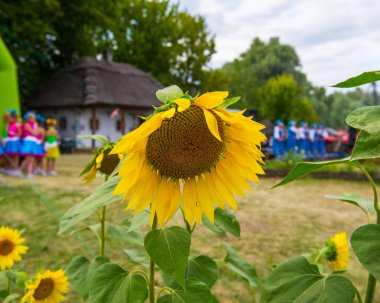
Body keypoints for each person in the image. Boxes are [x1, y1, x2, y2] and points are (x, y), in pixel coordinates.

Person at [19, 112, 39, 178]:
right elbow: (32, 132)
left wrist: (31, 130)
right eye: (33, 118)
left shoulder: (35, 125)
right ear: (29, 118)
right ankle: (19, 171)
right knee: (27, 158)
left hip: (33, 142)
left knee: (32, 158)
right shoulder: (26, 124)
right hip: (28, 141)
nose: (35, 119)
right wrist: (32, 130)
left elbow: (35, 133)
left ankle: (29, 173)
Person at [4, 109, 22, 176]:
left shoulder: (16, 124)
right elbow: (7, 134)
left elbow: (19, 133)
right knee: (11, 156)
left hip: (15, 141)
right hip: (10, 142)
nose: (8, 119)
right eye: (7, 118)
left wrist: (14, 135)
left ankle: (15, 169)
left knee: (16, 156)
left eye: (9, 118)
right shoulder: (7, 126)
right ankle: (11, 169)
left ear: (13, 118)